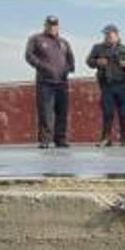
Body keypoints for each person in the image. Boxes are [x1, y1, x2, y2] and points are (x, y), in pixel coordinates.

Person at [24, 15, 75, 149]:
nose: (52, 27)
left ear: (58, 27)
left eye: (55, 25)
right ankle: (45, 140)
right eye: (50, 25)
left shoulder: (64, 42)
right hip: (45, 82)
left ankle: (60, 139)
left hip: (62, 82)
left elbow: (70, 58)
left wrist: (69, 69)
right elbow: (29, 56)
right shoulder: (36, 39)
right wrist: (43, 67)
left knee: (62, 112)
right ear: (45, 25)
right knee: (45, 112)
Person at [86, 24, 125, 147]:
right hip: (106, 86)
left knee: (123, 114)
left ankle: (124, 138)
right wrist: (97, 62)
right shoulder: (98, 48)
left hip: (122, 86)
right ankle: (106, 139)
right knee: (107, 113)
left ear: (116, 35)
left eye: (110, 34)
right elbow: (89, 62)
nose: (107, 37)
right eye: (105, 34)